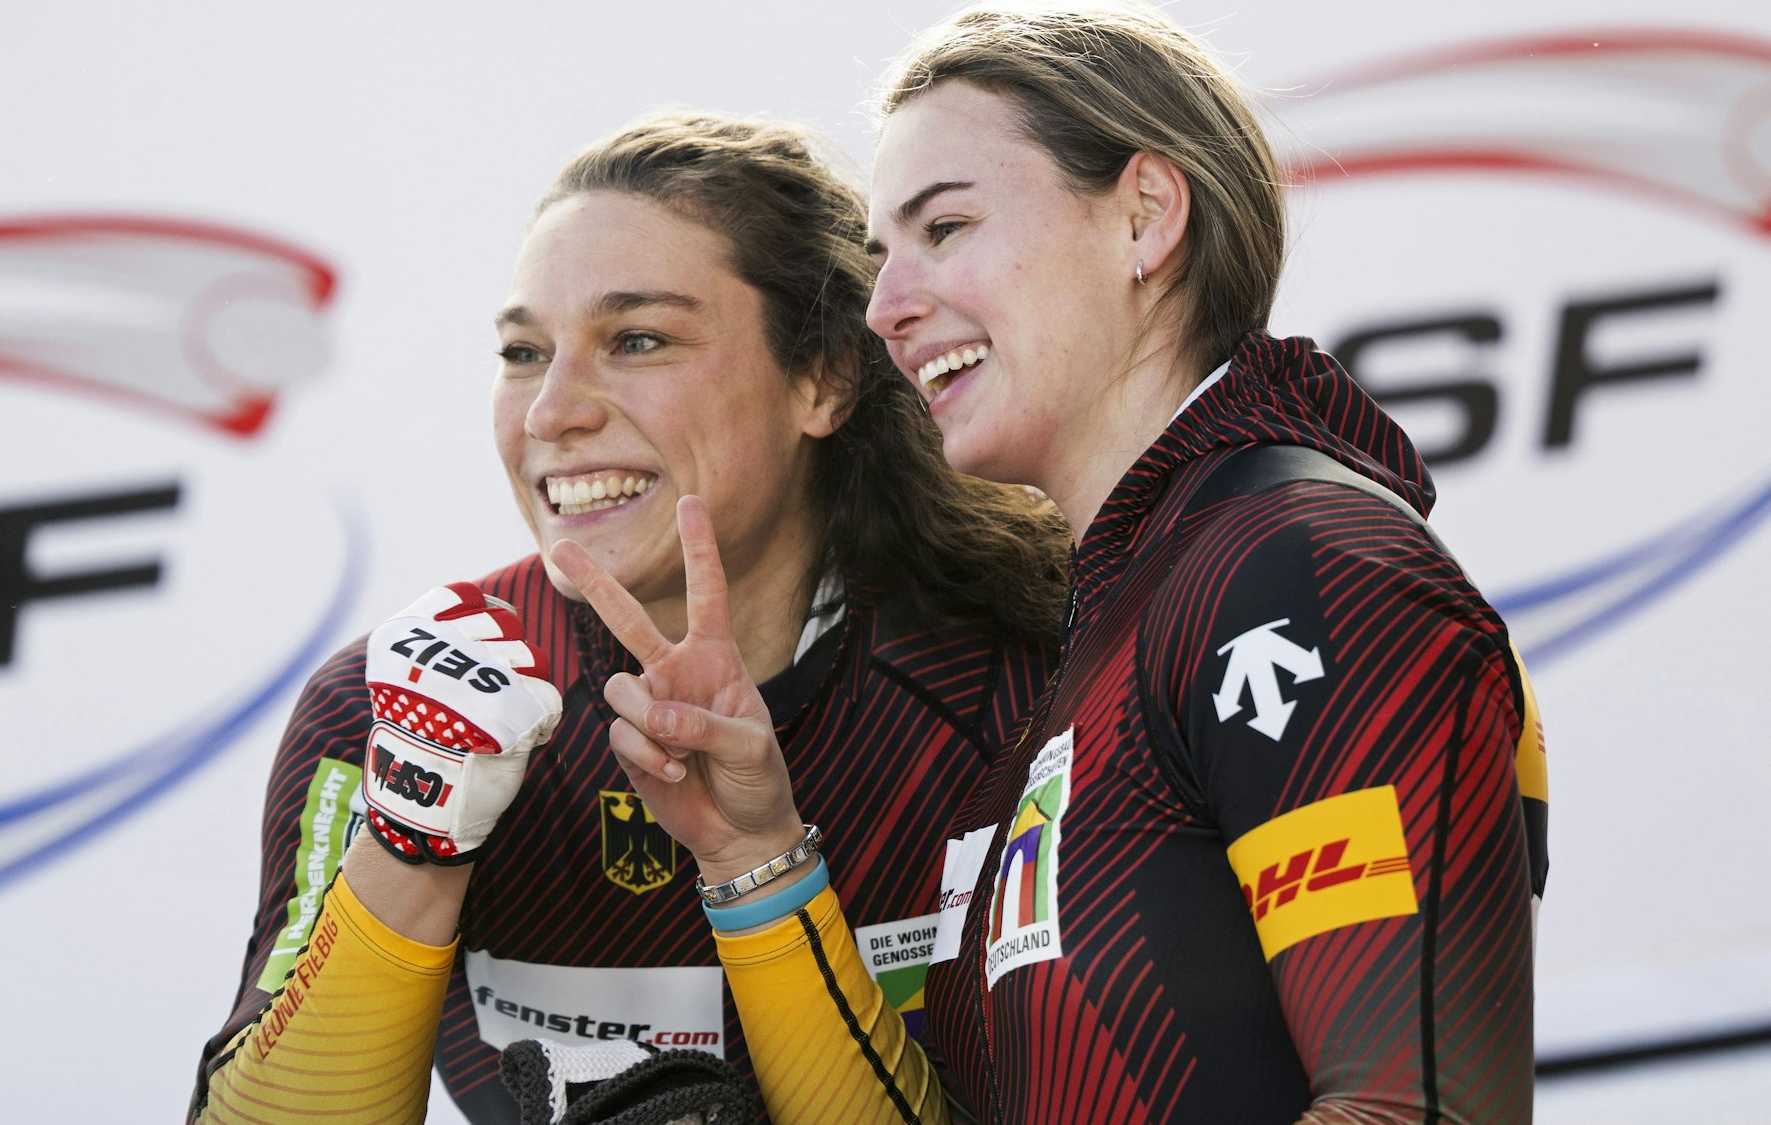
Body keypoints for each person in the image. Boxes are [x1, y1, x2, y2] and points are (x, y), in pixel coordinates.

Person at [557, 6, 1551, 1123]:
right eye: (882, 258)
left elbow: (1414, 1111)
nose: (885, 307)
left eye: (944, 229)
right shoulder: (1129, 609)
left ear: (1142, 216)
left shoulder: (1302, 575)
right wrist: (754, 851)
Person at [186, 111, 1070, 1124]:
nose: (551, 411)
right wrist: (407, 847)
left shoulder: (1024, 677)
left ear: (821, 376)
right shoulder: (383, 708)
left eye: (636, 340)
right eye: (522, 353)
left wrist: (759, 870)